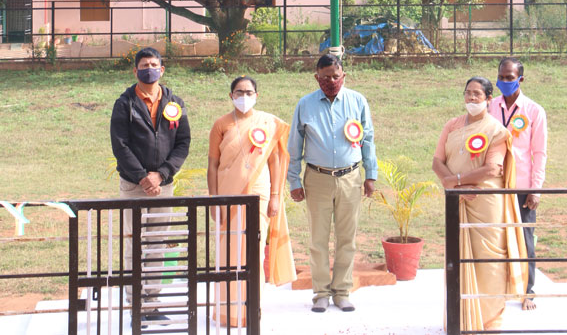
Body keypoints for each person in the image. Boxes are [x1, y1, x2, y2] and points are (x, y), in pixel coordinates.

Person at [432, 76, 526, 332]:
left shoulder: (496, 130)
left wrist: (457, 180)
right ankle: (461, 317)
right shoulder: (451, 125)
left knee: (489, 260)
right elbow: (436, 162)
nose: (472, 98)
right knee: (457, 257)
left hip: (486, 203)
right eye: (468, 93)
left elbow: (492, 168)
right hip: (457, 201)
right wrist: (454, 186)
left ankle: (489, 321)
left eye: (477, 94)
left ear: (488, 98)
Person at [287, 54, 377, 313]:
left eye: (336, 76)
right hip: (317, 178)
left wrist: (371, 175)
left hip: (350, 177)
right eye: (325, 77)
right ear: (317, 77)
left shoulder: (357, 101)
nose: (331, 81)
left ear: (343, 76)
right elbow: (295, 145)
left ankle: (342, 291)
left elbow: (368, 139)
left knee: (347, 237)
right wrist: (294, 180)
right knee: (318, 239)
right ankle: (321, 293)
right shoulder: (305, 105)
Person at [110, 47, 191, 327]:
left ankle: (153, 302)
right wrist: (143, 177)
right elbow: (119, 144)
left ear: (162, 69)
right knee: (135, 245)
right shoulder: (125, 103)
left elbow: (183, 143)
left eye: (154, 64)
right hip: (133, 187)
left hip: (163, 187)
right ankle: (136, 304)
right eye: (144, 64)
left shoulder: (174, 103)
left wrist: (162, 174)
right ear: (136, 71)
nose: (149, 68)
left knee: (156, 245)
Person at [207, 75, 295, 326]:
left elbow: (275, 162)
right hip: (227, 195)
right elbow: (213, 165)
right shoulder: (221, 125)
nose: (243, 96)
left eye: (248, 92)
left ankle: (250, 309)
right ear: (231, 96)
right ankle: (227, 311)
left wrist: (276, 196)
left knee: (253, 253)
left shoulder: (268, 123)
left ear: (256, 95)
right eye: (238, 92)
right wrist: (214, 199)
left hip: (259, 194)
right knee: (227, 253)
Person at [489, 56, 547, 311]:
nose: (504, 82)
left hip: (522, 185)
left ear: (520, 79)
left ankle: (528, 291)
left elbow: (539, 153)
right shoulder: (490, 107)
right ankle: (498, 288)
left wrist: (535, 190)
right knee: (495, 236)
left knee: (525, 238)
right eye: (501, 77)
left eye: (509, 78)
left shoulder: (534, 111)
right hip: (493, 184)